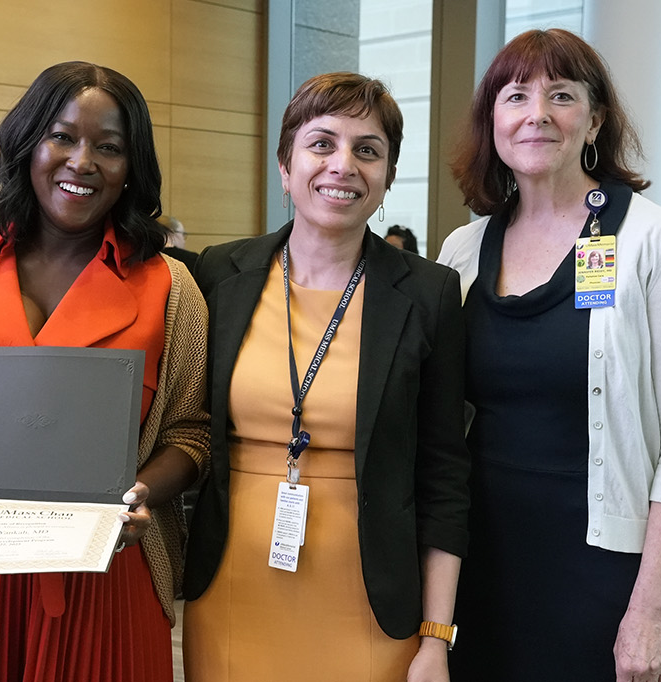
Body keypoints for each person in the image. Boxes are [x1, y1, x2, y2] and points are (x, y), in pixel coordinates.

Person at [0, 61, 210, 682]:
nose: (82, 161)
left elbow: (190, 435)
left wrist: (141, 493)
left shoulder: (171, 289)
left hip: (107, 571)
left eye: (109, 147)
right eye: (62, 136)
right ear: (28, 144)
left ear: (131, 166)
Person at [437, 29, 661, 682]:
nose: (536, 114)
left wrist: (647, 612)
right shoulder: (462, 251)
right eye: (515, 96)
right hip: (481, 560)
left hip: (606, 572)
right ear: (492, 123)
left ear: (594, 121)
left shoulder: (658, 242)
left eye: (561, 95)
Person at [183, 72, 471, 682]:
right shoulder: (219, 275)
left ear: (387, 177)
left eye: (367, 150)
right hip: (232, 588)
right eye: (321, 144)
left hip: (370, 599)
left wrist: (436, 637)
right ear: (285, 167)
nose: (344, 165)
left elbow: (444, 474)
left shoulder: (429, 294)